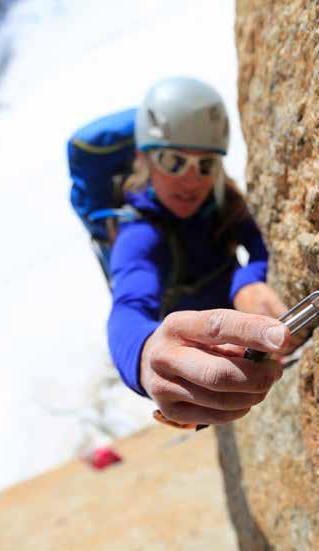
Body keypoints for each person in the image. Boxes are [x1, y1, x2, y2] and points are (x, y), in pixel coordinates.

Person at [107, 77, 297, 427]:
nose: (191, 180)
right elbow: (127, 309)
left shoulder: (223, 204)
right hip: (196, 355)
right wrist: (150, 357)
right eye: (173, 161)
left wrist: (247, 283)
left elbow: (257, 244)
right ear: (143, 158)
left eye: (205, 165)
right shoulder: (139, 235)